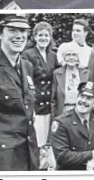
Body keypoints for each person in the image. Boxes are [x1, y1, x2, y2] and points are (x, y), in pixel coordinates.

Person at [0, 14, 39, 171]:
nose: (19, 36)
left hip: (28, 151)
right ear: (0, 34)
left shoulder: (27, 66)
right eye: (12, 30)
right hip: (2, 156)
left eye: (23, 31)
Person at [22, 21, 59, 151]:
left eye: (46, 35)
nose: (43, 38)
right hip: (36, 103)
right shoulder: (28, 54)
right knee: (36, 139)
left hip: (49, 103)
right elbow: (26, 82)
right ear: (35, 36)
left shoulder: (53, 56)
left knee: (48, 140)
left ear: (50, 38)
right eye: (40, 35)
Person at [51, 42, 90, 118]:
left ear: (78, 57)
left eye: (74, 55)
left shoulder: (86, 73)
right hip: (63, 111)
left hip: (82, 111)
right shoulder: (57, 73)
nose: (71, 58)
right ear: (64, 57)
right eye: (68, 55)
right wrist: (54, 118)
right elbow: (53, 99)